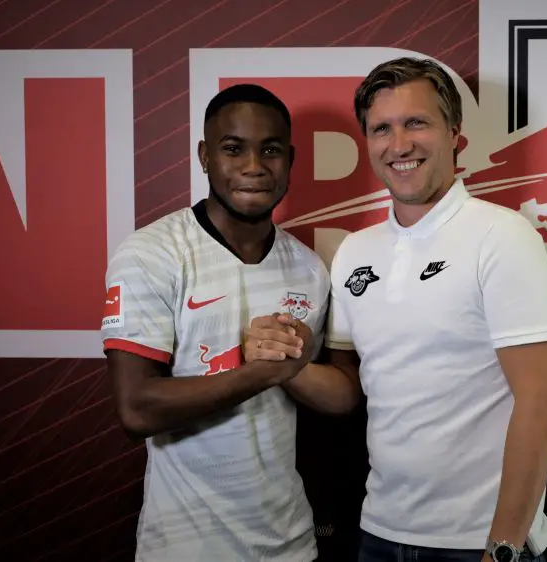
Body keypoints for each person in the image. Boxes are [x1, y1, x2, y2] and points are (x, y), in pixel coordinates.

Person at [245, 57, 547, 562]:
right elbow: (348, 389)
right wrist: (283, 363)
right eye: (382, 129)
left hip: (477, 543)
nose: (399, 145)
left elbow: (541, 399)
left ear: (454, 134)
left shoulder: (502, 236)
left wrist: (502, 548)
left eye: (416, 122)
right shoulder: (355, 252)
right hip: (380, 532)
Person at [100, 83, 360, 562]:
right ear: (205, 156)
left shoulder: (308, 268)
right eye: (233, 148)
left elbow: (341, 398)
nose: (254, 166)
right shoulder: (153, 252)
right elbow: (136, 409)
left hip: (291, 543)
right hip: (184, 548)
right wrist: (262, 372)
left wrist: (291, 365)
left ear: (290, 160)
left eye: (271, 150)